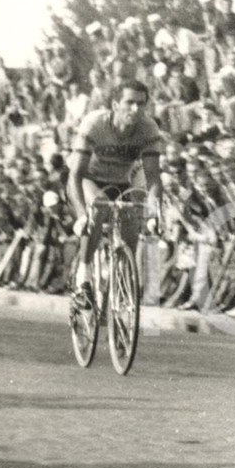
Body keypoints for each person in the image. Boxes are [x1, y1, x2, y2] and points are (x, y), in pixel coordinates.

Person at [67, 80, 162, 303]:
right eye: (129, 103)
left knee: (131, 231)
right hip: (88, 179)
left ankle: (115, 289)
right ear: (115, 104)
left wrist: (152, 214)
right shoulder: (95, 124)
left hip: (120, 182)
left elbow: (153, 177)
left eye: (141, 104)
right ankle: (84, 276)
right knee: (98, 208)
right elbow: (75, 175)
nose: (135, 109)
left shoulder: (148, 129)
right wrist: (82, 215)